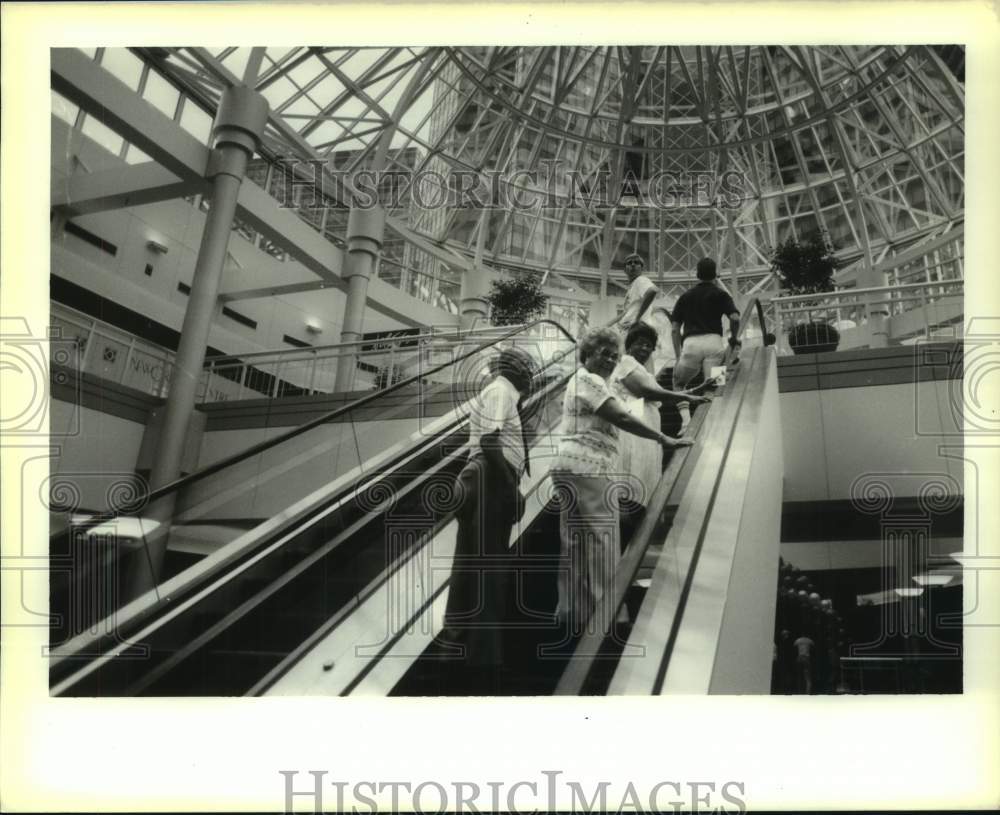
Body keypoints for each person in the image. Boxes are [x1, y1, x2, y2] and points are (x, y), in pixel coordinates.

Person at [550, 326, 693, 644]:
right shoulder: (590, 380)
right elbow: (621, 417)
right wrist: (662, 437)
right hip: (589, 466)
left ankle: (570, 611)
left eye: (614, 355)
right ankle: (610, 617)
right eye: (604, 353)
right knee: (604, 541)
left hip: (566, 466)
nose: (610, 359)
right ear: (586, 354)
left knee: (573, 542)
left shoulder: (580, 380)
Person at [443, 346, 534, 668]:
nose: (531, 371)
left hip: (478, 476)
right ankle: (484, 656)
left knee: (468, 564)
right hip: (490, 478)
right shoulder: (501, 390)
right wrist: (513, 490)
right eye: (526, 364)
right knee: (490, 569)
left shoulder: (501, 392)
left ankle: (456, 645)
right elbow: (489, 440)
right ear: (510, 367)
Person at [609, 323, 710, 509]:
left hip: (644, 431)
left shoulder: (640, 369)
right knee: (632, 477)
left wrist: (697, 389)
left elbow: (662, 394)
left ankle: (636, 513)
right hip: (634, 432)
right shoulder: (626, 363)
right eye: (640, 343)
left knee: (640, 478)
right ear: (629, 345)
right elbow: (646, 391)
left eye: (649, 345)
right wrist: (688, 396)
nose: (645, 348)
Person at [666, 257, 741, 430]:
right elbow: (735, 318)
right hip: (714, 344)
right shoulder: (721, 294)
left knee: (678, 383)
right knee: (714, 386)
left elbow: (675, 329)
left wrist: (678, 356)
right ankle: (712, 425)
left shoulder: (685, 297)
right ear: (715, 274)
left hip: (690, 345)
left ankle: (686, 423)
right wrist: (733, 337)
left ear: (697, 274)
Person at [611, 253, 658, 334]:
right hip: (630, 330)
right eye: (629, 263)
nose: (633, 264)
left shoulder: (640, 280)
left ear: (642, 268)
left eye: (636, 262)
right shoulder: (633, 287)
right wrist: (605, 326)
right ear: (625, 270)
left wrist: (636, 320)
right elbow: (625, 313)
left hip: (637, 330)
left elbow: (652, 291)